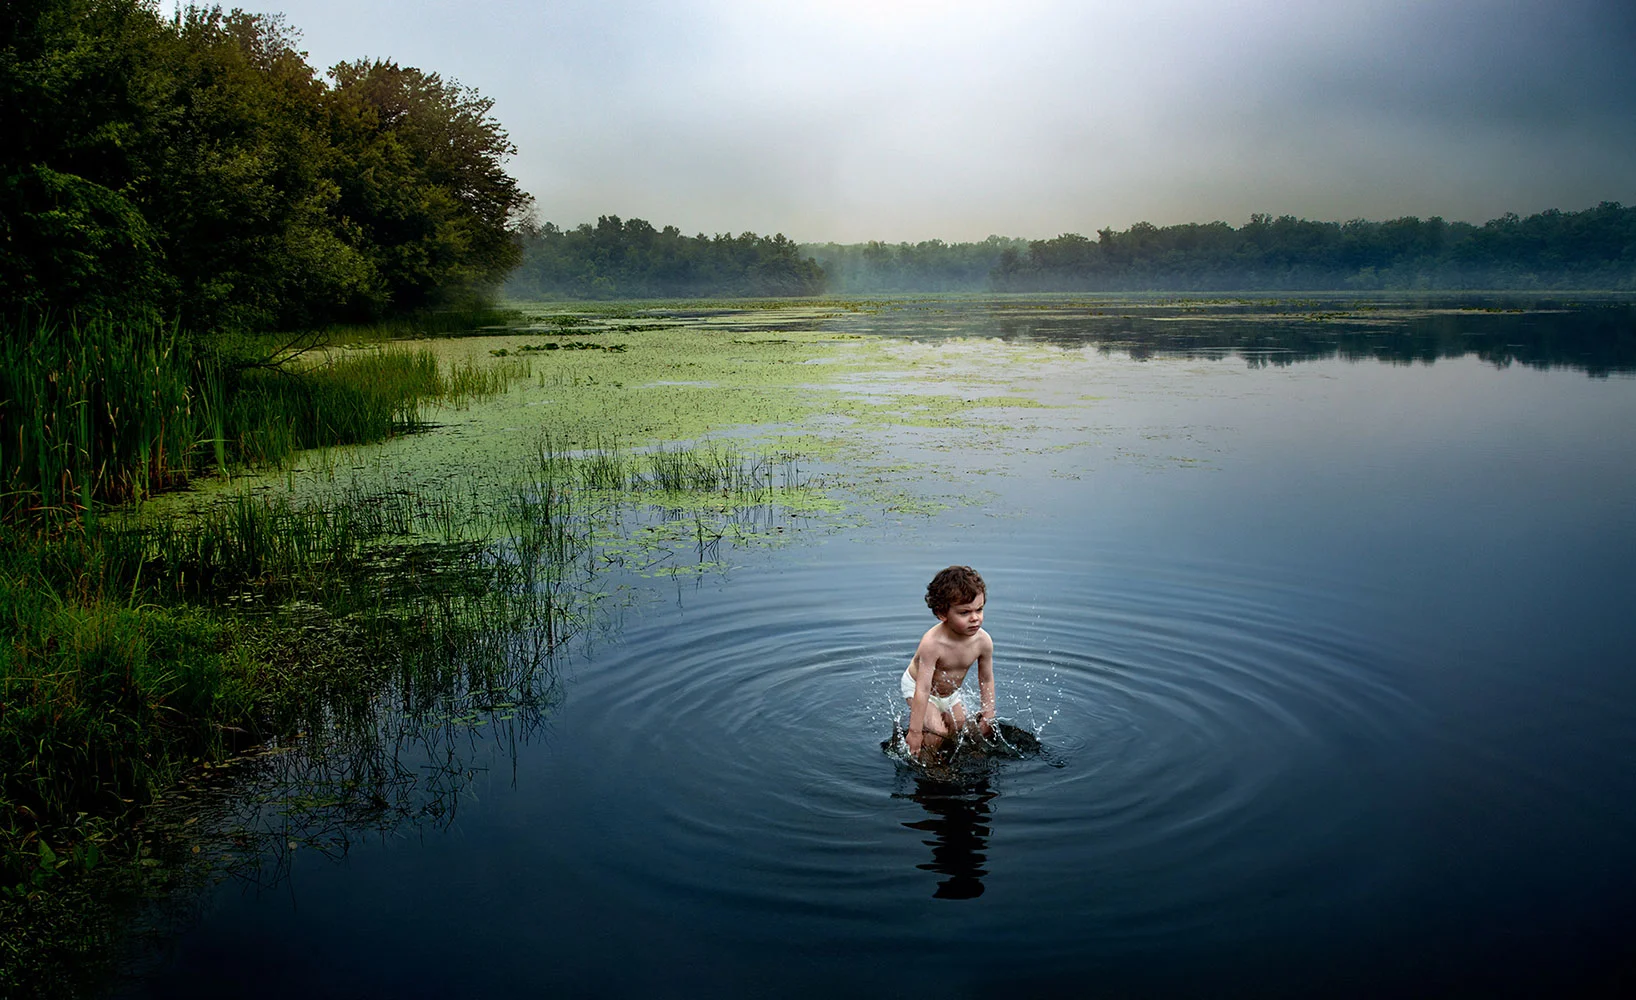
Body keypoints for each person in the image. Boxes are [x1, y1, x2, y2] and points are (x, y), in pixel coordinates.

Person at [901, 565, 995, 755]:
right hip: (918, 687)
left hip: (950, 694)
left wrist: (988, 715)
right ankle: (928, 762)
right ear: (942, 614)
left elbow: (986, 679)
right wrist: (914, 731)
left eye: (979, 609)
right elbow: (923, 688)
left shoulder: (983, 641)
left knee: (960, 729)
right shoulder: (933, 643)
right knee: (938, 732)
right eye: (964, 612)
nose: (975, 618)